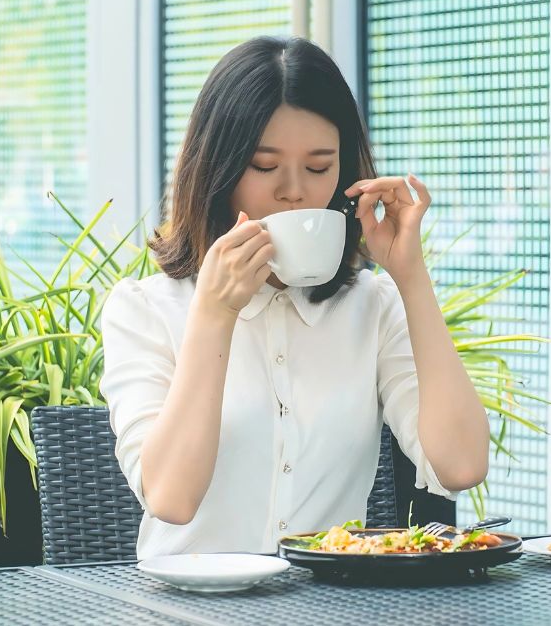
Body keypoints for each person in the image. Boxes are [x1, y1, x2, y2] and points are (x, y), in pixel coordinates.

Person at [99, 36, 490, 558]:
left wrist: (409, 276)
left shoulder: (372, 306)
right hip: (185, 608)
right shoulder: (144, 309)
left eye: (319, 166)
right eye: (264, 166)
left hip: (328, 606)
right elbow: (171, 498)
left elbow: (460, 467)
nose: (293, 191)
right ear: (218, 170)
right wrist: (215, 314)